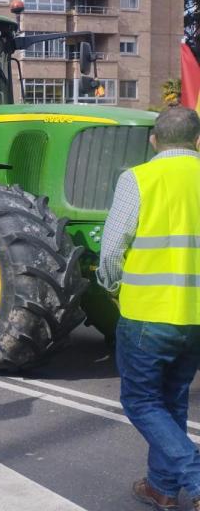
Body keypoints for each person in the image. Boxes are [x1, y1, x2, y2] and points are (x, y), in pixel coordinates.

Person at [99, 105, 200, 511]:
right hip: (195, 317)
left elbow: (112, 248)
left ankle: (194, 476)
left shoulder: (138, 178)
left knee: (141, 402)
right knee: (172, 400)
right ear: (197, 142)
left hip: (147, 315)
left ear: (154, 140)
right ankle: (161, 488)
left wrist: (109, 286)